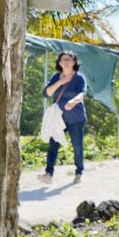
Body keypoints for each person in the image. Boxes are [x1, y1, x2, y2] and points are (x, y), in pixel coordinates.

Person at [38, 50, 87, 184]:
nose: (66, 61)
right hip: (59, 118)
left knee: (77, 146)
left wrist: (73, 101)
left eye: (69, 59)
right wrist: (61, 82)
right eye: (63, 59)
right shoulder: (56, 77)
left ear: (74, 62)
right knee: (53, 145)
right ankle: (48, 174)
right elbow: (46, 93)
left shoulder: (79, 78)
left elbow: (83, 93)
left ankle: (79, 173)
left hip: (76, 118)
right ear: (59, 63)